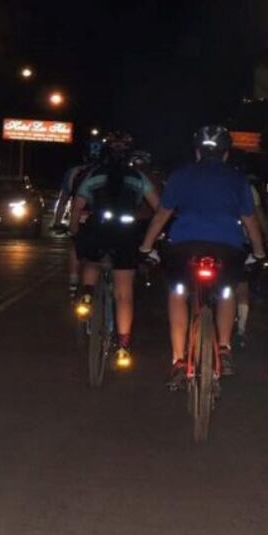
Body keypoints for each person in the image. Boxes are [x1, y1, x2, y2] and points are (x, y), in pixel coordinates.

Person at [139, 126, 266, 386]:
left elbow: (161, 216)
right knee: (227, 290)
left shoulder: (180, 176)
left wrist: (146, 247)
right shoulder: (238, 179)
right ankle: (224, 348)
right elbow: (250, 221)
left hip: (184, 245)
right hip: (228, 247)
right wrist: (259, 252)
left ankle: (178, 360)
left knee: (178, 292)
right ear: (226, 154)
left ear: (197, 152)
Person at [70, 131, 160, 368]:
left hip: (98, 228)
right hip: (125, 233)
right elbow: (158, 207)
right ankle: (123, 346)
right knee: (124, 294)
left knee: (91, 260)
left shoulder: (94, 174)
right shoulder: (138, 177)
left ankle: (87, 294)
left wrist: (74, 232)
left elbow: (77, 207)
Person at [53, 138, 103, 296]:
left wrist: (57, 222)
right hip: (103, 218)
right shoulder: (107, 171)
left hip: (80, 216)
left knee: (76, 246)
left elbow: (63, 199)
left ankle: (73, 283)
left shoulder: (74, 172)